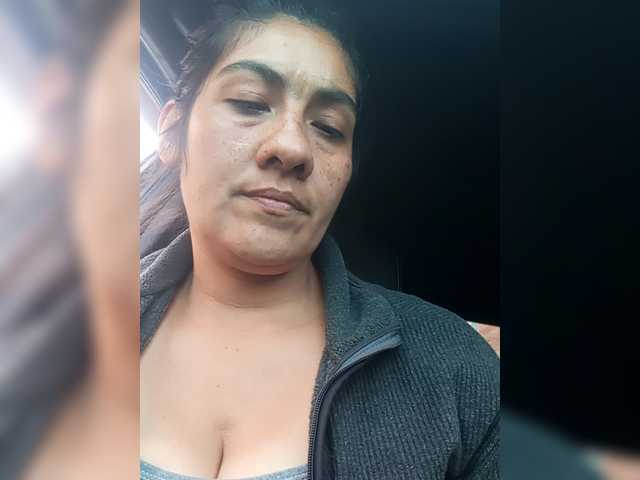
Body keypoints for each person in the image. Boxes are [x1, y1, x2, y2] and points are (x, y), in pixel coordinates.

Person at [140, 1, 499, 479]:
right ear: (171, 131)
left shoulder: (457, 370)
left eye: (329, 128)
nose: (292, 147)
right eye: (250, 103)